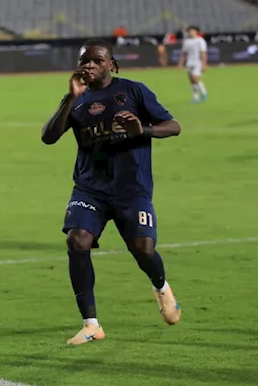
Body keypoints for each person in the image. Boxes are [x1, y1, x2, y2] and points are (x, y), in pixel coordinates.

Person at [41, 39, 182, 345]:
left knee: (143, 248)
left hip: (132, 188)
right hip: (90, 189)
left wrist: (142, 130)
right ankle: (91, 324)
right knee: (77, 240)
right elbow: (48, 137)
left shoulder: (133, 91)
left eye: (97, 60)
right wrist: (69, 99)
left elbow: (173, 126)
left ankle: (161, 287)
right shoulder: (76, 99)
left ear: (111, 65)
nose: (89, 65)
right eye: (84, 61)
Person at [178, 26, 208, 103]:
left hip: (197, 62)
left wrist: (204, 64)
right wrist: (180, 64)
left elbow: (203, 53)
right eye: (189, 31)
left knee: (195, 78)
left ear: (196, 32)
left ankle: (204, 92)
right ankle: (195, 97)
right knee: (192, 81)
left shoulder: (200, 40)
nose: (191, 33)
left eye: (192, 31)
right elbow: (184, 54)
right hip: (189, 62)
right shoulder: (186, 41)